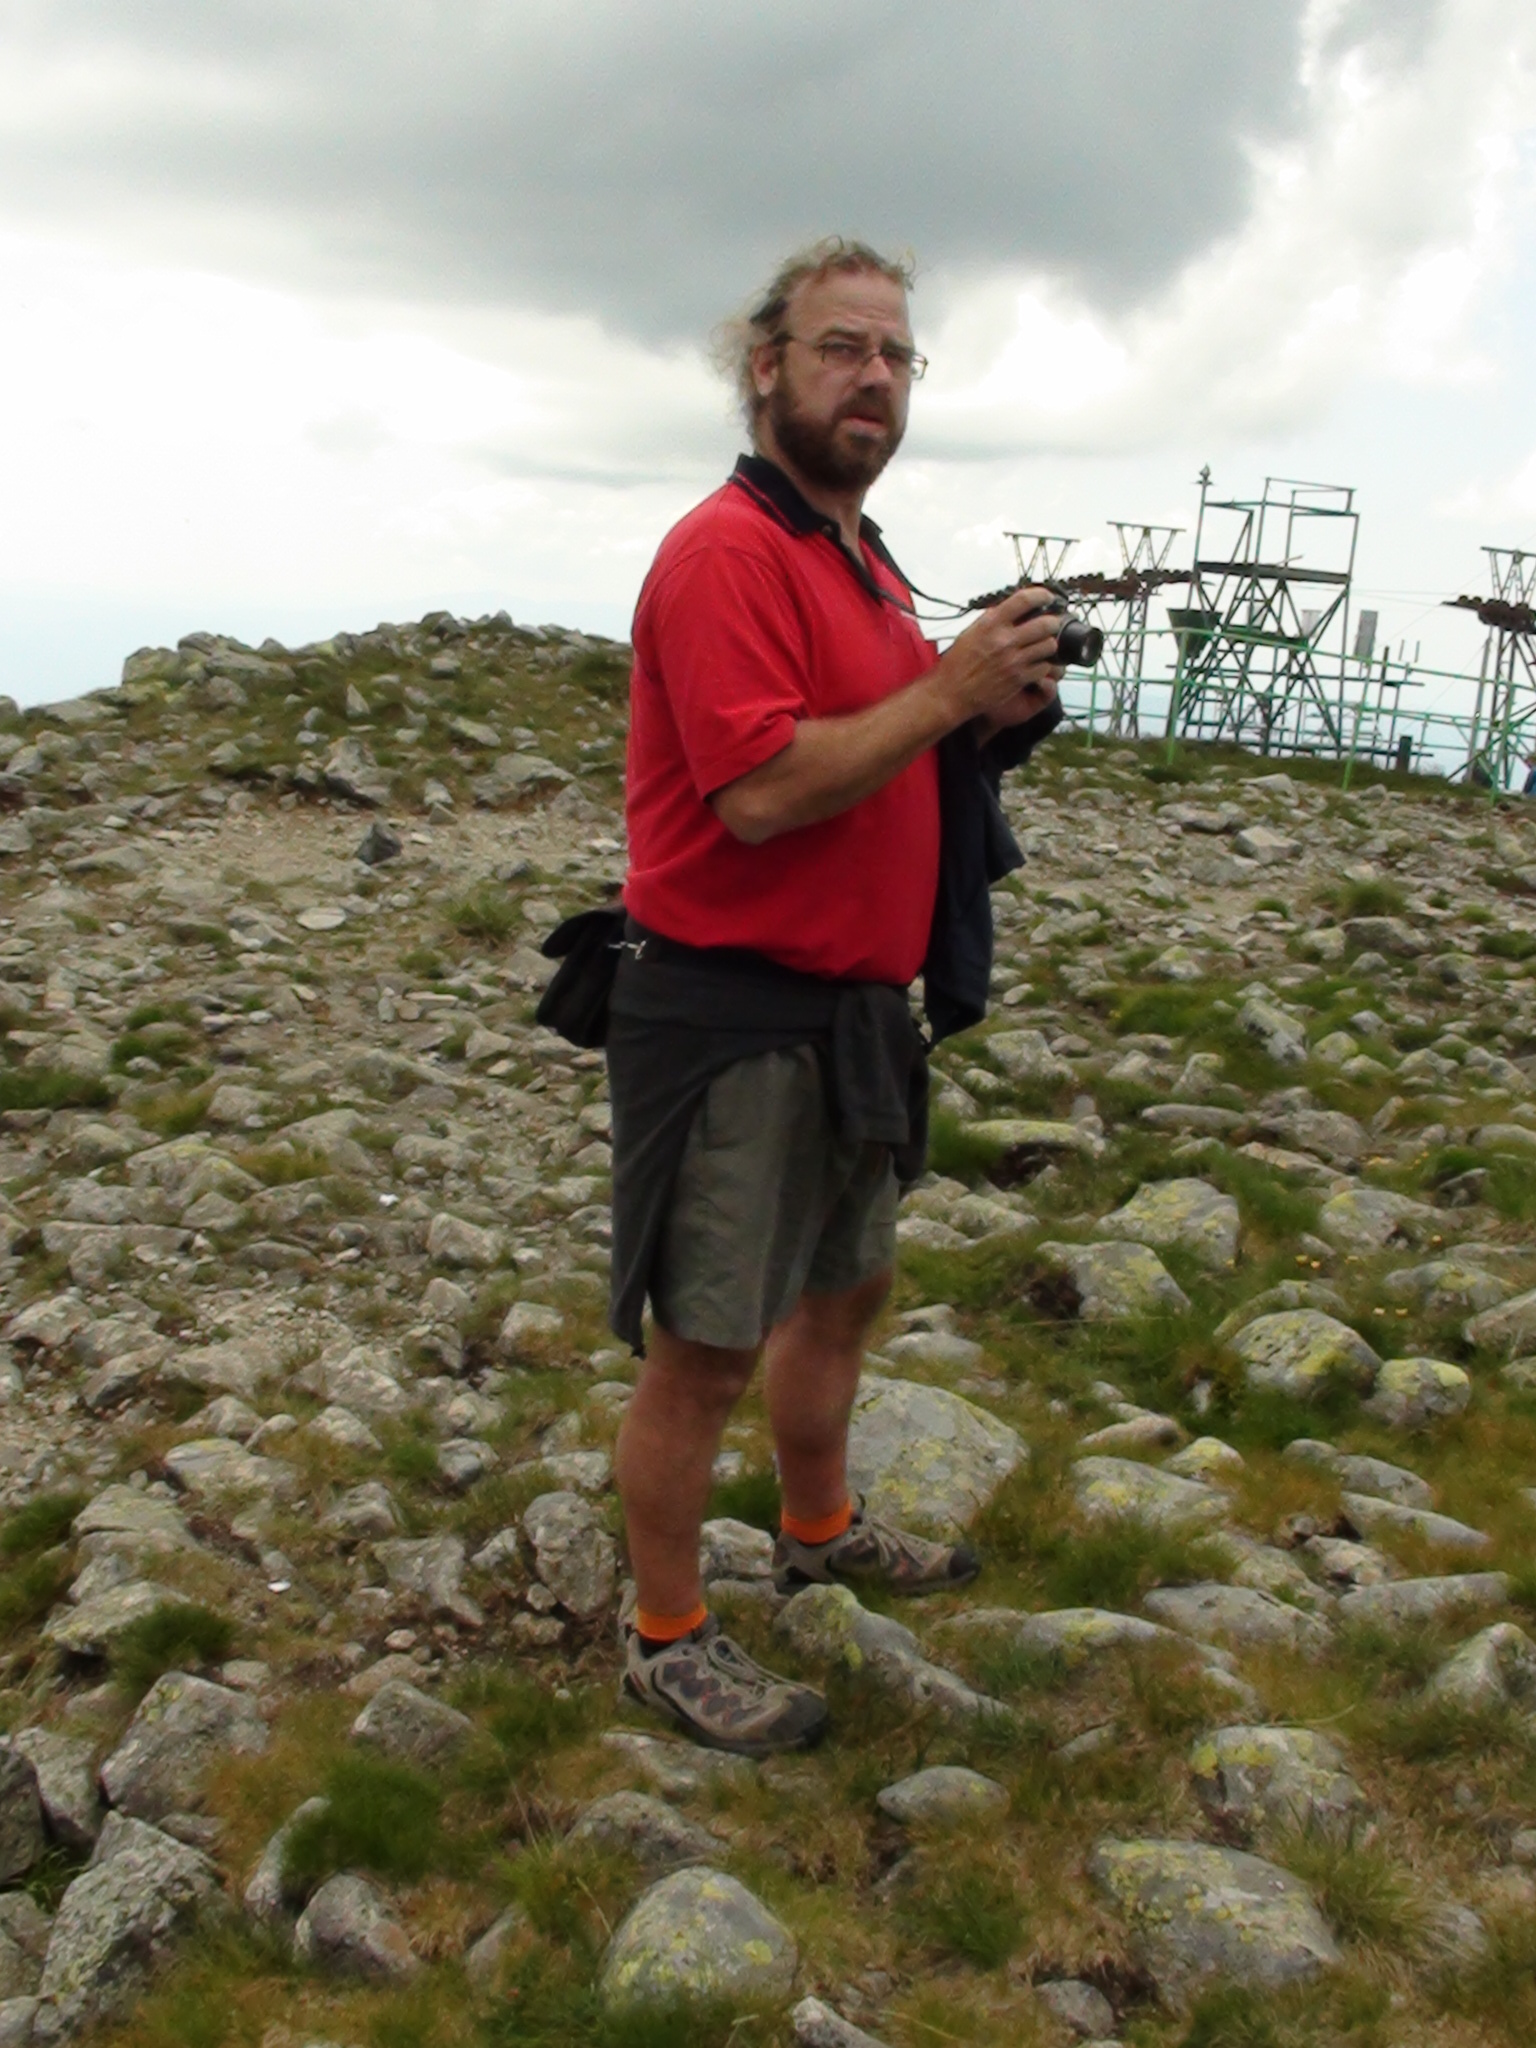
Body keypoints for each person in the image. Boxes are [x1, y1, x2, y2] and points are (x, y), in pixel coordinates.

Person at [607, 237, 1064, 1756]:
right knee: (706, 1346)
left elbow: (883, 742)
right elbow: (756, 794)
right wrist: (942, 690)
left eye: (895, 355)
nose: (874, 377)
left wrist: (983, 711)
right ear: (766, 368)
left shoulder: (856, 557)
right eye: (840, 347)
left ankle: (817, 1532)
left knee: (844, 1290)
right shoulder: (727, 554)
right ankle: (664, 1636)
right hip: (731, 1017)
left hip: (855, 1014)